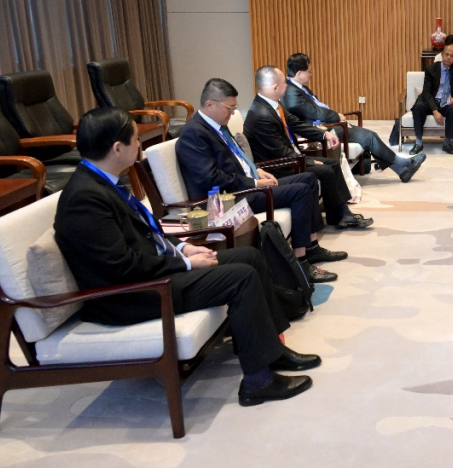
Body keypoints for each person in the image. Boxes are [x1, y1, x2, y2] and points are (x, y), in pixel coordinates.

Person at [55, 107, 321, 407]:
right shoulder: (85, 199)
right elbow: (121, 266)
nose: (139, 144)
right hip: (130, 295)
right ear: (117, 148)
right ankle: (258, 383)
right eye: (135, 139)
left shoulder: (103, 182)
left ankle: (272, 350)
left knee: (250, 257)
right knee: (241, 277)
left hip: (148, 275)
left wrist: (183, 248)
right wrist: (185, 263)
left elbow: (146, 233)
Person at [176, 78, 344, 278]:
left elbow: (236, 157)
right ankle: (301, 263)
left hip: (246, 184)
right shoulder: (193, 134)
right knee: (300, 191)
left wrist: (256, 169)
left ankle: (312, 247)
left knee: (308, 179)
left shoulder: (217, 124)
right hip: (231, 198)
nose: (233, 113)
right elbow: (211, 179)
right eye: (230, 108)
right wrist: (254, 182)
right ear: (210, 104)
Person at [244, 66, 373, 230]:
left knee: (332, 163)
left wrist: (324, 134)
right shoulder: (261, 115)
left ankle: (341, 215)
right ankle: (341, 216)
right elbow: (280, 152)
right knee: (325, 170)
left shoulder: (273, 105)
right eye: (284, 83)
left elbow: (296, 124)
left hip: (290, 157)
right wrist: (308, 162)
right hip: (279, 166)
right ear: (274, 88)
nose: (287, 85)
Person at [282, 53, 425, 182]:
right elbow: (315, 112)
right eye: (309, 71)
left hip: (326, 124)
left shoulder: (300, 87)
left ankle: (402, 170)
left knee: (368, 137)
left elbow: (317, 109)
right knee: (369, 137)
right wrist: (336, 117)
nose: (311, 74)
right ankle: (404, 164)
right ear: (299, 73)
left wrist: (336, 118)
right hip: (318, 130)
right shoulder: (291, 92)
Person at [411, 42, 453, 155]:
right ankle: (418, 143)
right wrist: (435, 111)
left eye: (452, 56)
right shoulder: (431, 69)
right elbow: (426, 92)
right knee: (418, 107)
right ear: (442, 55)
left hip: (446, 101)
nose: (448, 57)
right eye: (447, 54)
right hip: (431, 100)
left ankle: (447, 143)